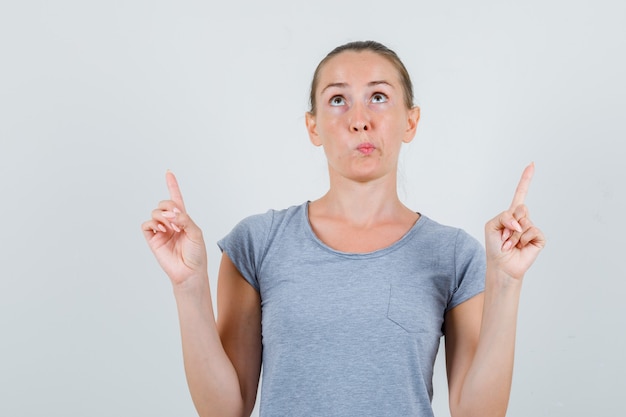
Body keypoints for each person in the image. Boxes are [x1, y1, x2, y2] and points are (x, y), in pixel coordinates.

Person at [142, 40, 545, 417]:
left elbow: (478, 412)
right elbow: (225, 410)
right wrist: (188, 285)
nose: (359, 120)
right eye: (338, 100)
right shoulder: (256, 244)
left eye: (379, 97)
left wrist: (506, 283)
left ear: (410, 120)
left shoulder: (455, 254)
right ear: (313, 126)